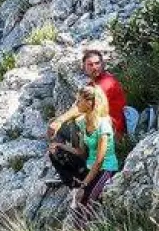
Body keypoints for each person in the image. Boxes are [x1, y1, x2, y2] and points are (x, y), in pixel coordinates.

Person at [45, 49, 127, 187]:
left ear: (103, 64)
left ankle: (79, 166)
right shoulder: (92, 85)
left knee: (70, 124)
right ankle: (71, 164)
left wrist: (59, 121)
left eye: (97, 63)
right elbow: (78, 106)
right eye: (90, 64)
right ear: (84, 67)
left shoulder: (106, 83)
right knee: (64, 123)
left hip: (111, 131)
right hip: (101, 126)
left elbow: (79, 109)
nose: (95, 67)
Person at [54, 84, 118, 230]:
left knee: (87, 199)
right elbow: (81, 152)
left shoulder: (104, 125)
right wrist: (60, 146)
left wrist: (84, 185)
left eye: (79, 100)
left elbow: (99, 160)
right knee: (78, 201)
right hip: (90, 168)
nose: (76, 104)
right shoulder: (83, 123)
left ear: (90, 103)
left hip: (106, 168)